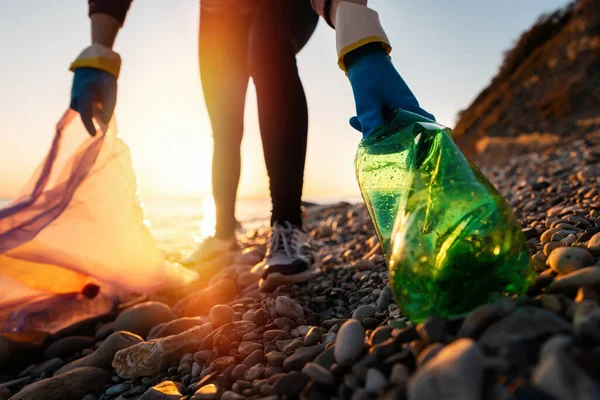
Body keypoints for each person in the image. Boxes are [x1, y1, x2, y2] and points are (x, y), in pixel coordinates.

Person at [69, 0, 433, 290]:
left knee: (267, 49)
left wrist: (358, 32)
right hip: (219, 9)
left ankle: (287, 225)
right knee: (223, 119)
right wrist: (99, 48)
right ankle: (223, 233)